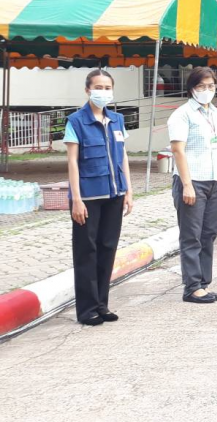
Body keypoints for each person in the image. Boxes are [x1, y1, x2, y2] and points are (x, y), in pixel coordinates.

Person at [65, 69, 133, 326]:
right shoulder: (76, 121)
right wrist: (76, 199)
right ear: (87, 90)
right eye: (98, 87)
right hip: (88, 198)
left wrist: (129, 190)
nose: (103, 92)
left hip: (114, 194)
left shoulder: (117, 119)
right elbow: (72, 161)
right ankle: (87, 310)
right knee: (86, 252)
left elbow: (123, 155)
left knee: (107, 249)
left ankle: (102, 304)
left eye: (107, 88)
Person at [168, 67, 217, 304]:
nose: (207, 91)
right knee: (192, 235)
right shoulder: (182, 114)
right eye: (201, 87)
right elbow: (178, 150)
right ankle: (192, 286)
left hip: (216, 180)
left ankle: (203, 282)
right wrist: (187, 185)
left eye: (211, 86)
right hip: (193, 180)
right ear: (192, 89)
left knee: (209, 233)